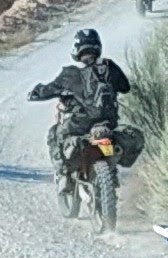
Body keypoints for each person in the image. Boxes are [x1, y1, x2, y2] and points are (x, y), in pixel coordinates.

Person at [28, 28, 133, 168]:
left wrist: (35, 93)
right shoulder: (109, 66)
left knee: (55, 134)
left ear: (76, 49)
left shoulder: (70, 73)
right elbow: (125, 87)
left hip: (80, 123)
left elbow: (48, 90)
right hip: (109, 121)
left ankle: (63, 179)